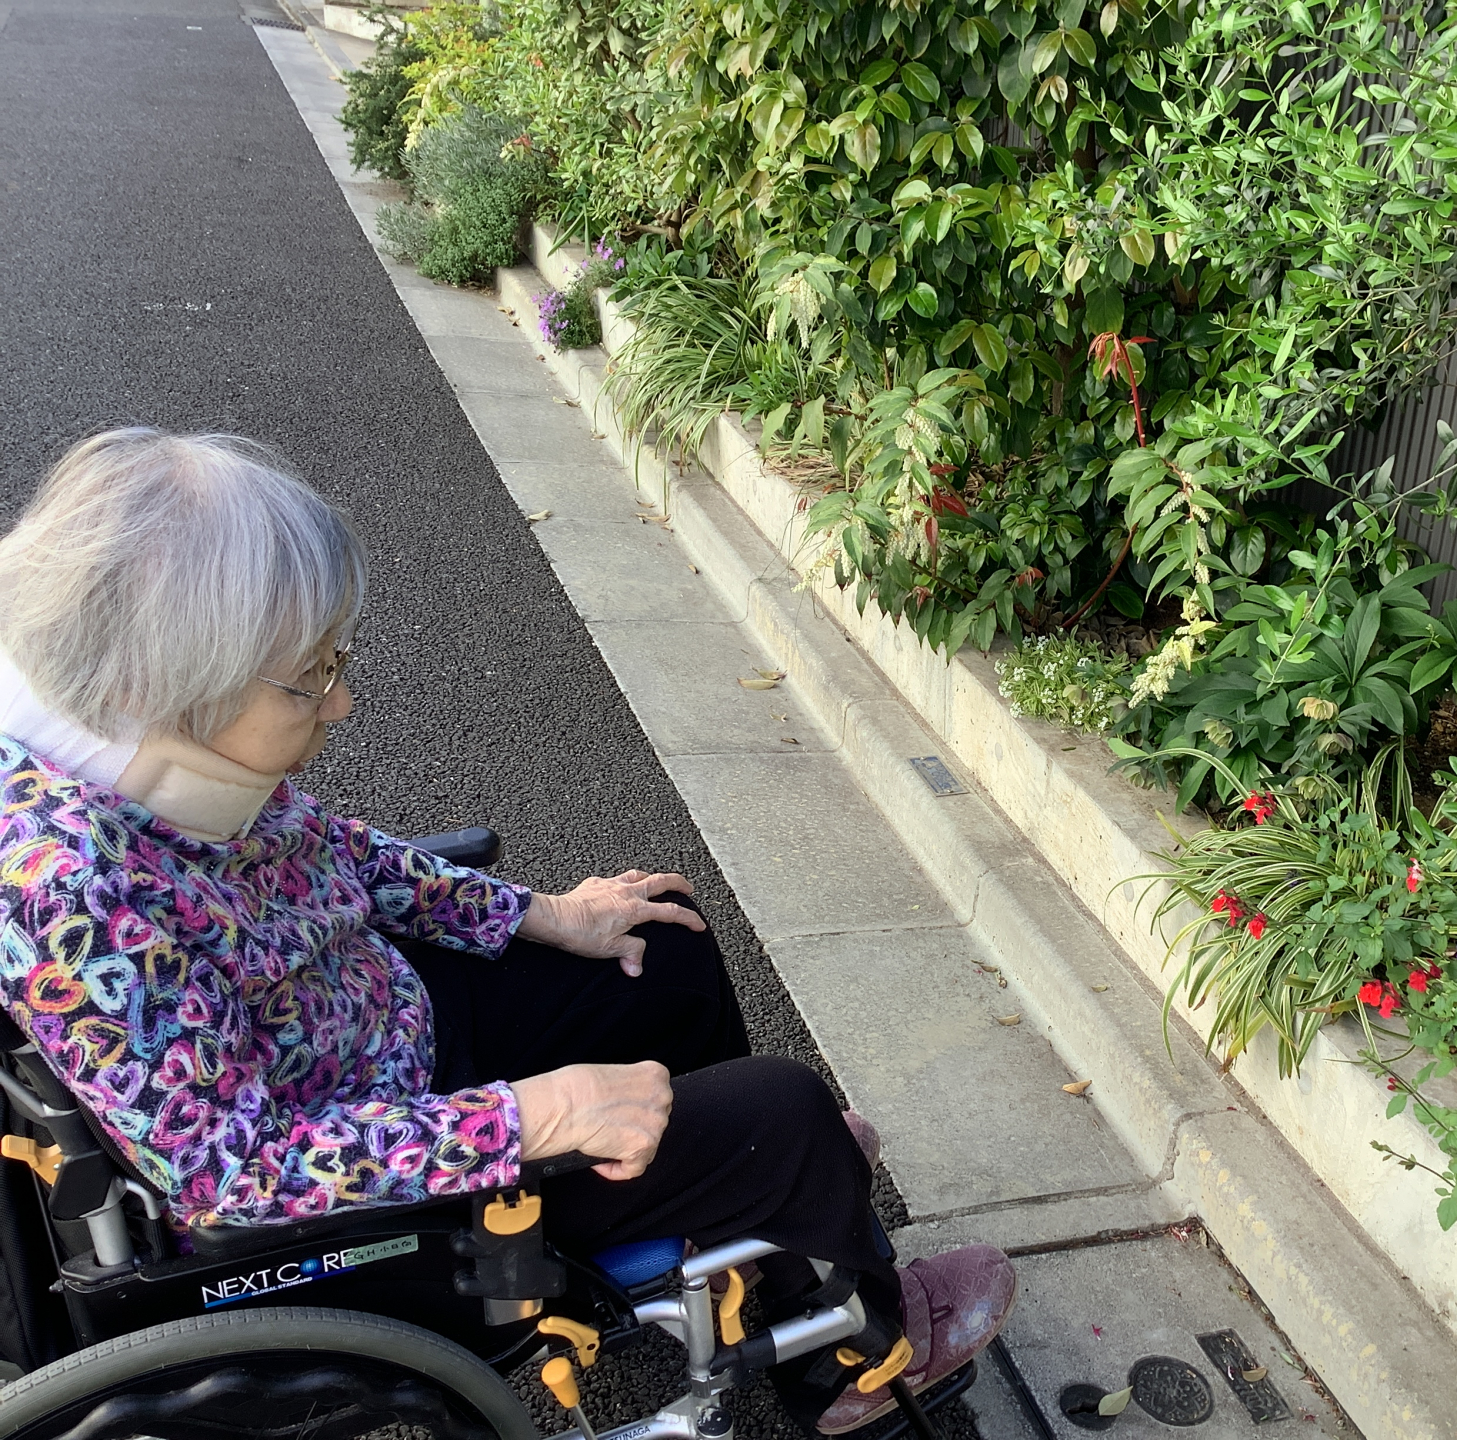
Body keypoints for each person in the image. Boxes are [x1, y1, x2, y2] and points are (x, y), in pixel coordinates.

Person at [0, 428, 1014, 1433]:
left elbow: (337, 852)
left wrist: (545, 915)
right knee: (784, 1113)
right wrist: (541, 1114)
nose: (340, 701)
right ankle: (848, 1367)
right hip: (379, 1196)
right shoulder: (76, 895)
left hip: (381, 1027)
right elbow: (234, 1177)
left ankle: (749, 1230)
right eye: (308, 676)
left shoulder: (132, 746)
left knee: (666, 949)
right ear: (159, 686)